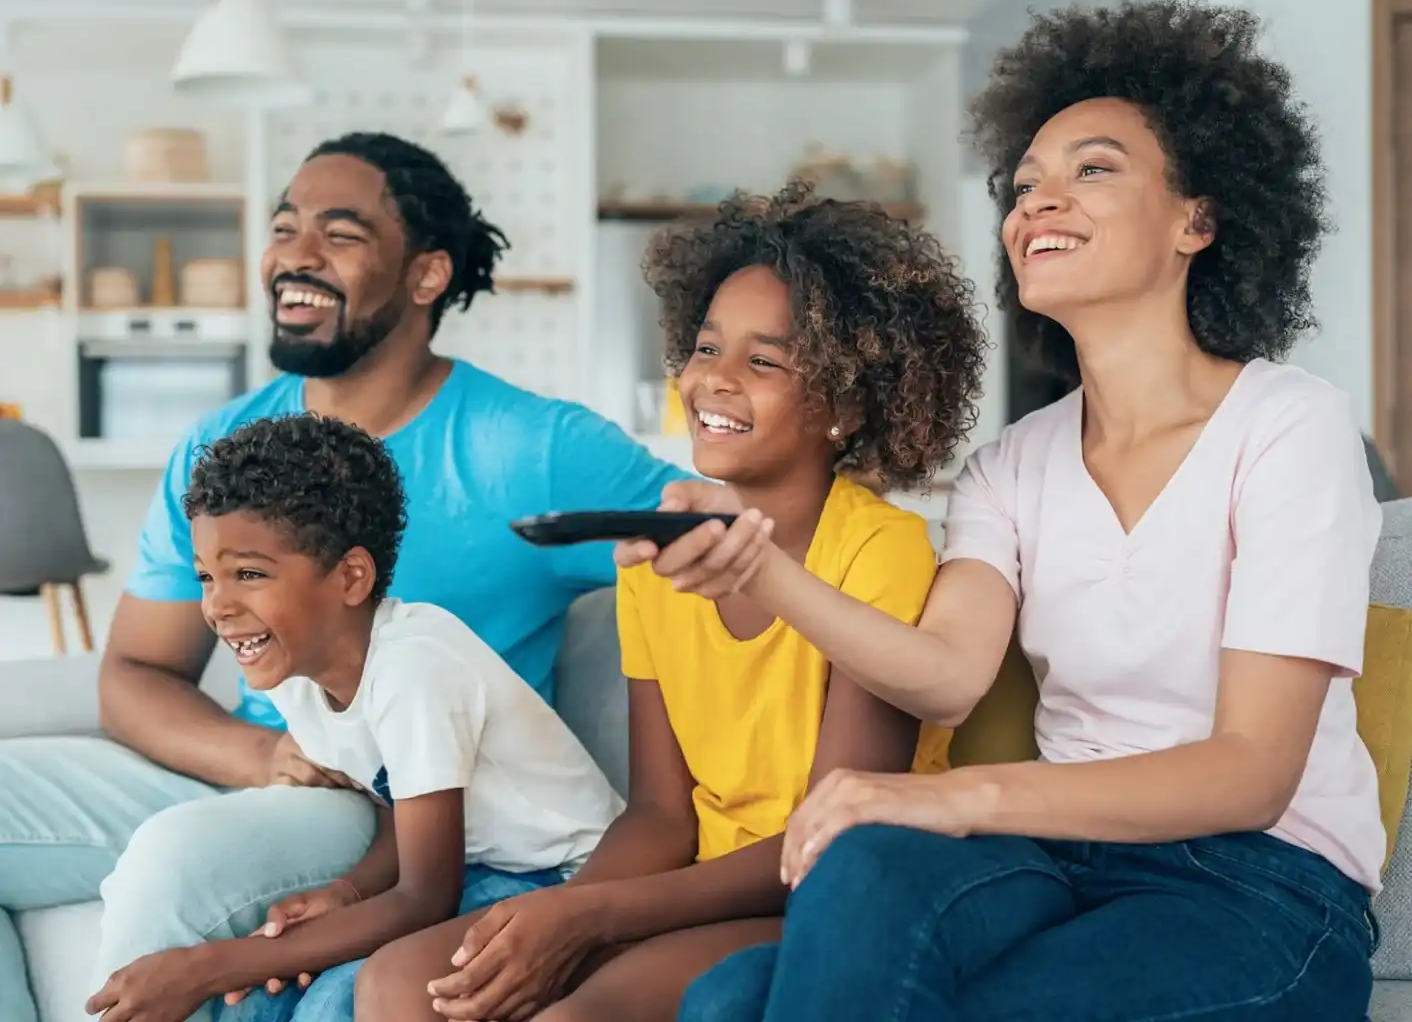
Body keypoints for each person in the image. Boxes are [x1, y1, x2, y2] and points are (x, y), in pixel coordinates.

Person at [636, 0, 1385, 1021]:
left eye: (1091, 170)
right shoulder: (1013, 465)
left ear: (1196, 219)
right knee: (743, 979)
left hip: (1256, 885)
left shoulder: (1290, 429)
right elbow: (941, 679)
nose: (1037, 204)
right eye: (1024, 183)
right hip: (1055, 867)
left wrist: (947, 798)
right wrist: (761, 567)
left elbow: (1250, 772)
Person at [0, 131, 682, 1022]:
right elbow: (132, 675)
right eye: (284, 227)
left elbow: (723, 542)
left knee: (175, 859)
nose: (295, 254)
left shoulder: (536, 448)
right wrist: (263, 755)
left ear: (427, 275)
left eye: (341, 232)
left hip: (383, 801)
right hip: (273, 765)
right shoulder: (223, 452)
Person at [350, 183, 988, 1021]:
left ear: (846, 402)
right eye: (706, 347)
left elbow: (834, 844)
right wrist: (552, 917)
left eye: (764, 361)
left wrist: (587, 916)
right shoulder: (655, 557)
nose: (714, 381)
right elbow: (660, 813)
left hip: (833, 896)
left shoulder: (878, 549)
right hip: (695, 889)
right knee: (398, 981)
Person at [87, 413, 625, 1022]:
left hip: (561, 879)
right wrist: (348, 892)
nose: (216, 606)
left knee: (330, 1004)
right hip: (475, 868)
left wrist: (206, 965)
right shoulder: (297, 670)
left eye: (249, 575)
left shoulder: (414, 667)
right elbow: (406, 808)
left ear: (350, 577)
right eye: (207, 577)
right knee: (255, 1006)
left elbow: (427, 895)